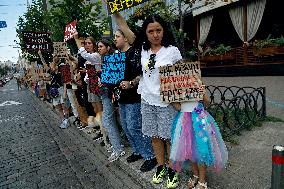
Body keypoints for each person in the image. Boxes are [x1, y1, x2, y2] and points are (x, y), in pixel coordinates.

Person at [114, 12, 181, 188]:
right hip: (147, 100)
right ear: (146, 32)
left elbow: (183, 75)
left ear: (164, 30)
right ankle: (161, 167)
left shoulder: (172, 51)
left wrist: (184, 97)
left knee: (169, 138)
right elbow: (124, 26)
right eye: (151, 31)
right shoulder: (142, 49)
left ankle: (173, 170)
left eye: (158, 30)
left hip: (167, 102)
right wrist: (115, 11)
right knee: (154, 137)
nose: (155, 34)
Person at [113, 14, 157, 172]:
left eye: (117, 36)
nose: (115, 39)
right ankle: (138, 151)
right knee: (126, 127)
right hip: (122, 98)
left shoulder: (137, 52)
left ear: (126, 39)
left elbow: (141, 74)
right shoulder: (116, 56)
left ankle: (150, 156)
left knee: (135, 127)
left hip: (134, 97)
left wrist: (131, 83)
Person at [170, 94, 228, 189]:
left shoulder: (197, 83)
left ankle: (202, 179)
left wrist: (202, 95)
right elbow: (178, 107)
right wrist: (172, 99)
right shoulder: (178, 84)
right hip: (184, 119)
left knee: (201, 150)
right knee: (189, 149)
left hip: (198, 119)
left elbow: (207, 103)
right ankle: (195, 174)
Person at [74, 33, 102, 129]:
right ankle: (100, 129)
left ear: (94, 45)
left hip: (96, 84)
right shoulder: (90, 57)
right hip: (90, 83)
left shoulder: (96, 55)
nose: (86, 45)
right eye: (85, 43)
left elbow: (84, 54)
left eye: (89, 43)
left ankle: (104, 130)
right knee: (94, 107)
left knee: (99, 109)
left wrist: (76, 39)